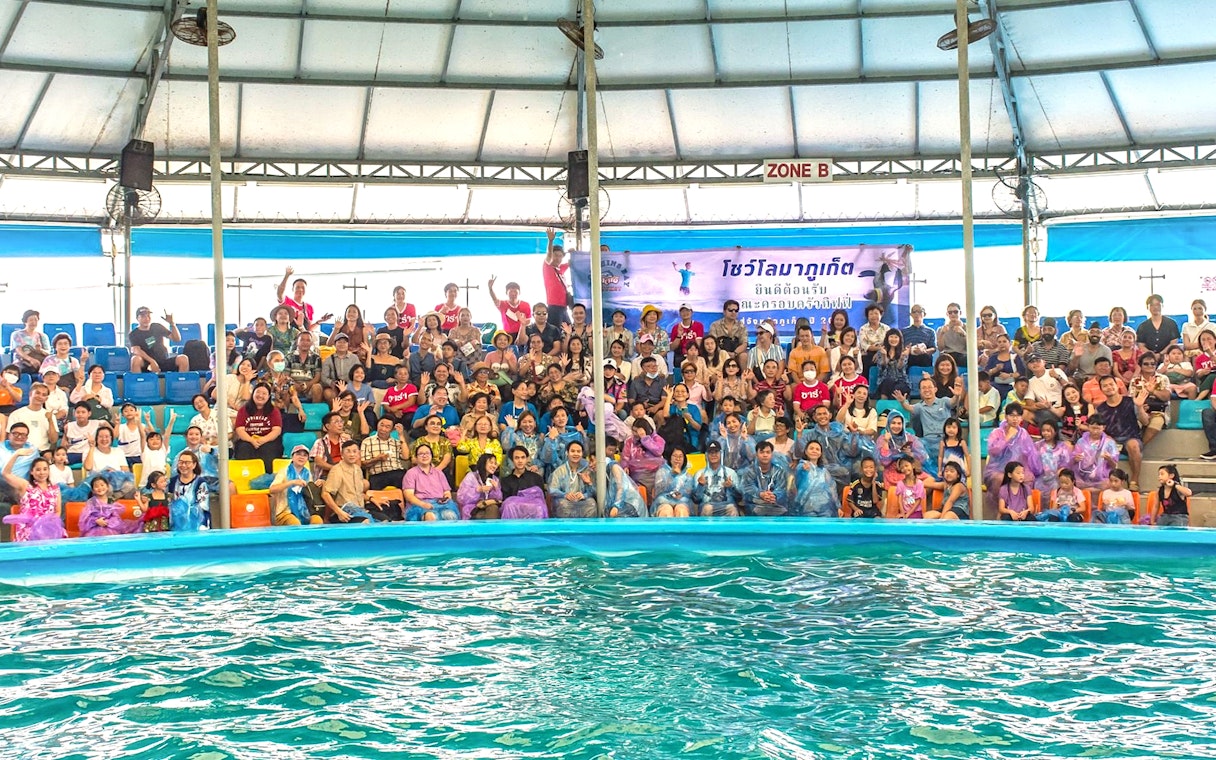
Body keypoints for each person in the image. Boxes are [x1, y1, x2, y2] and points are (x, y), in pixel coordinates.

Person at [983, 403, 1040, 519]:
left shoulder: (1023, 433)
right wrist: (1008, 436)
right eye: (1012, 415)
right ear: (1006, 416)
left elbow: (1031, 453)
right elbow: (994, 451)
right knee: (1000, 479)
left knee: (1029, 478)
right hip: (997, 470)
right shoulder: (997, 432)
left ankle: (1022, 511)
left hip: (1017, 469)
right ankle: (1002, 513)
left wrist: (1037, 471)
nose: (1015, 419)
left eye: (1018, 416)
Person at [325, 441, 401, 523]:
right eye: (348, 451)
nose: (352, 454)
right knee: (366, 521)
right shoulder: (337, 470)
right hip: (344, 511)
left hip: (360, 509)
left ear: (358, 454)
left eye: (354, 451)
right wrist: (339, 512)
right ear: (342, 454)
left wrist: (372, 499)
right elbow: (325, 494)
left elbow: (358, 493)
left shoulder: (357, 469)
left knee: (385, 520)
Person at [1097, 375, 1149, 491]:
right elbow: (1099, 429)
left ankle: (1134, 479)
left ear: (1117, 385)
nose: (1109, 387)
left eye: (1111, 384)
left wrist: (1140, 407)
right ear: (1101, 389)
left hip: (1131, 438)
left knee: (1132, 445)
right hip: (1112, 441)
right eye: (1105, 386)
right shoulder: (1100, 409)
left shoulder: (1130, 401)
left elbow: (1145, 421)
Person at [2, 446, 62, 542]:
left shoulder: (55, 489)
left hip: (48, 530)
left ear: (48, 471)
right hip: (27, 530)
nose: (42, 472)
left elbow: (58, 511)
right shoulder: (25, 485)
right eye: (38, 470)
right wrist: (16, 454)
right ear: (31, 472)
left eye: (45, 469)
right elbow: (5, 474)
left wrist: (49, 526)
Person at [233, 384, 284, 473]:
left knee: (268, 450)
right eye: (258, 392)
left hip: (268, 440)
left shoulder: (274, 410)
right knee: (244, 448)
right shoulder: (243, 410)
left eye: (264, 393)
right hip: (248, 440)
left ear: (268, 397)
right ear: (253, 394)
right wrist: (251, 440)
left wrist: (263, 439)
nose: (260, 395)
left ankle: (266, 478)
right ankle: (245, 476)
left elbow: (277, 430)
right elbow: (240, 429)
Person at [269, 445, 324, 526]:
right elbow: (272, 490)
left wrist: (316, 485)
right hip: (285, 512)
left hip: (305, 511)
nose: (301, 457)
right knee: (295, 523)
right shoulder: (284, 471)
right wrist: (291, 482)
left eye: (305, 455)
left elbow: (309, 494)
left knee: (317, 520)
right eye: (298, 454)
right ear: (292, 457)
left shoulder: (307, 473)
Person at [128, 306, 189, 373]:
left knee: (183, 359)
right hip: (147, 362)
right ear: (137, 318)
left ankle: (180, 382)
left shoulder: (157, 327)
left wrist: (172, 324)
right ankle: (138, 382)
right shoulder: (133, 334)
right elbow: (137, 350)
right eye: (143, 316)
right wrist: (152, 362)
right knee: (135, 360)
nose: (146, 318)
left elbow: (176, 339)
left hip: (163, 360)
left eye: (148, 316)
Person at [877, 410, 928, 487]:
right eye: (893, 423)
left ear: (903, 424)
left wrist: (910, 454)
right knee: (914, 484)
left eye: (899, 423)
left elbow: (923, 457)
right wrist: (886, 442)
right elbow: (884, 461)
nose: (896, 426)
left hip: (909, 469)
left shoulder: (910, 438)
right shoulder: (882, 439)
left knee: (930, 480)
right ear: (888, 424)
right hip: (893, 472)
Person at [1072, 416, 1121, 493]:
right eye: (1093, 428)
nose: (1095, 431)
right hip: (1082, 478)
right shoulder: (1081, 442)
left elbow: (1115, 466)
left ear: (1103, 428)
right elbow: (1073, 459)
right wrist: (1076, 458)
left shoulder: (1109, 443)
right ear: (1088, 427)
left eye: (1098, 429)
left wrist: (1109, 459)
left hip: (1102, 480)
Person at [6, 382, 58, 454]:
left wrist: (50, 420)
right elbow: (9, 438)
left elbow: (53, 440)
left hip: (43, 452)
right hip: (21, 452)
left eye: (44, 395)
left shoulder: (50, 416)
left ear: (46, 399)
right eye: (37, 393)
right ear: (30, 394)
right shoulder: (16, 414)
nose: (40, 396)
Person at [361, 416, 411, 490]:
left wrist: (401, 435)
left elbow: (406, 457)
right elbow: (363, 464)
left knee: (405, 480)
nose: (383, 429)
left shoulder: (396, 442)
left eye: (387, 427)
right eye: (381, 425)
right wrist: (377, 459)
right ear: (377, 424)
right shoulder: (367, 441)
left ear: (392, 429)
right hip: (378, 475)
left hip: (396, 472)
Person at [498, 446, 548, 520]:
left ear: (527, 459)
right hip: (513, 515)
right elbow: (505, 502)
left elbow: (541, 499)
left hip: (533, 514)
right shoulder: (505, 481)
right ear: (512, 460)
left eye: (523, 457)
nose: (520, 461)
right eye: (517, 458)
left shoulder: (536, 478)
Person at [548, 440, 595, 517]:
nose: (576, 454)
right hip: (565, 501)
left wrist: (584, 495)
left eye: (578, 451)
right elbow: (552, 489)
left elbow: (594, 491)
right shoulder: (560, 471)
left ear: (582, 453)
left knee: (591, 503)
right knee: (563, 504)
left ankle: (587, 528)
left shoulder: (588, 470)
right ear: (567, 453)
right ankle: (566, 529)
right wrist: (565, 495)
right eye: (573, 451)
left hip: (582, 501)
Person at [693, 441, 741, 517]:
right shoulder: (699, 474)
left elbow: (739, 498)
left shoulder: (731, 473)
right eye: (710, 452)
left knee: (732, 508)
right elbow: (696, 500)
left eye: (716, 452)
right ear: (706, 455)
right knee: (707, 508)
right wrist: (700, 486)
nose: (713, 455)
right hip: (706, 505)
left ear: (721, 454)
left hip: (727, 505)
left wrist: (731, 486)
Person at [790, 440, 836, 517]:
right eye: (811, 448)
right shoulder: (801, 466)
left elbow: (832, 490)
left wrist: (837, 507)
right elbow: (799, 478)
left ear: (820, 453)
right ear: (806, 452)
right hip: (807, 508)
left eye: (817, 449)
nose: (814, 451)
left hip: (825, 508)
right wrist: (804, 471)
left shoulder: (824, 471)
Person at [168, 450, 210, 531]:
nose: (183, 465)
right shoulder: (172, 482)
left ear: (194, 465)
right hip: (176, 525)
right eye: (181, 462)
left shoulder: (200, 482)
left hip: (197, 525)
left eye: (187, 462)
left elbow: (203, 506)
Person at [651, 447, 695, 518]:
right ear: (670, 458)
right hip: (663, 502)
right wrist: (671, 476)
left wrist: (681, 494)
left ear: (684, 459)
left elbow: (688, 492)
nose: (678, 459)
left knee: (681, 510)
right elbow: (658, 491)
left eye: (680, 456)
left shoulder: (688, 476)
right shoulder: (661, 472)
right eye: (675, 456)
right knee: (666, 510)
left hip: (682, 502)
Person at [541, 227, 571, 327]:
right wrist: (550, 241)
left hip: (564, 307)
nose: (557, 258)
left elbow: (573, 262)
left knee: (569, 330)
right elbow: (548, 256)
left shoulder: (560, 269)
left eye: (560, 256)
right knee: (556, 334)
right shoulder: (548, 267)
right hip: (554, 307)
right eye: (555, 255)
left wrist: (574, 252)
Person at [1033, 419, 1073, 494]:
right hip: (1040, 479)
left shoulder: (1062, 447)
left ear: (1055, 432)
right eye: (1043, 431)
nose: (1045, 433)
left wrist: (1060, 471)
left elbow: (1066, 463)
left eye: (1048, 431)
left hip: (1056, 480)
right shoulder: (1037, 446)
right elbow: (1033, 463)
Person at [10, 309, 49, 374]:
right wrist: (31, 360)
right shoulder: (17, 334)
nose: (33, 322)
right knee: (14, 370)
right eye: (31, 320)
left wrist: (40, 350)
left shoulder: (42, 336)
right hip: (22, 362)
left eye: (35, 320)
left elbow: (48, 352)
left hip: (40, 362)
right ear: (25, 321)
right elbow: (18, 351)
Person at [902, 304, 937, 369]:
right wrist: (909, 350)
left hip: (925, 362)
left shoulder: (930, 331)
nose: (916, 314)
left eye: (919, 311)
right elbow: (900, 348)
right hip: (908, 362)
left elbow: (933, 348)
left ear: (924, 314)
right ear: (911, 314)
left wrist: (924, 351)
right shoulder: (904, 331)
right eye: (914, 312)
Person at [936, 303, 968, 368]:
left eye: (955, 312)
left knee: (966, 359)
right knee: (943, 360)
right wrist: (942, 334)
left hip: (963, 354)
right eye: (950, 312)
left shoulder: (968, 328)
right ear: (947, 314)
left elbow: (971, 347)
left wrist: (964, 334)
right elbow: (940, 348)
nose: (953, 314)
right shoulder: (941, 329)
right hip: (948, 354)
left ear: (960, 313)